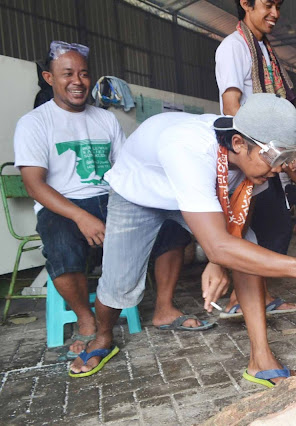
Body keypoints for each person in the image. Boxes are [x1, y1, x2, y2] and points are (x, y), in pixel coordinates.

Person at [68, 94, 296, 383]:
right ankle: (102, 338)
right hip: (140, 194)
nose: (280, 169)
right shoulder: (189, 147)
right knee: (119, 284)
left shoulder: (255, 158)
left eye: (286, 159)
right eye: (276, 159)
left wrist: (221, 260)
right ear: (240, 144)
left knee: (248, 253)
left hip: (192, 193)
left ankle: (260, 360)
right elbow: (219, 246)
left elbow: (239, 224)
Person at [13, 41, 199, 359]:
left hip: (111, 196)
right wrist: (81, 217)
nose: (78, 81)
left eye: (84, 74)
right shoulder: (35, 123)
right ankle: (87, 323)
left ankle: (164, 309)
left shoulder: (105, 119)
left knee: (171, 226)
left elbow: (126, 169)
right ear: (49, 78)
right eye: (67, 73)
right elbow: (34, 185)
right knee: (61, 242)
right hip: (63, 203)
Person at [215, 0, 296, 318]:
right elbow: (231, 106)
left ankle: (254, 295)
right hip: (251, 156)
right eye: (267, 4)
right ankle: (242, 298)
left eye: (278, 6)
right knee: (266, 228)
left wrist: (287, 151)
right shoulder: (234, 47)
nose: (275, 13)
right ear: (245, 4)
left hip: (267, 155)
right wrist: (255, 155)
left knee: (273, 229)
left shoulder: (265, 51)